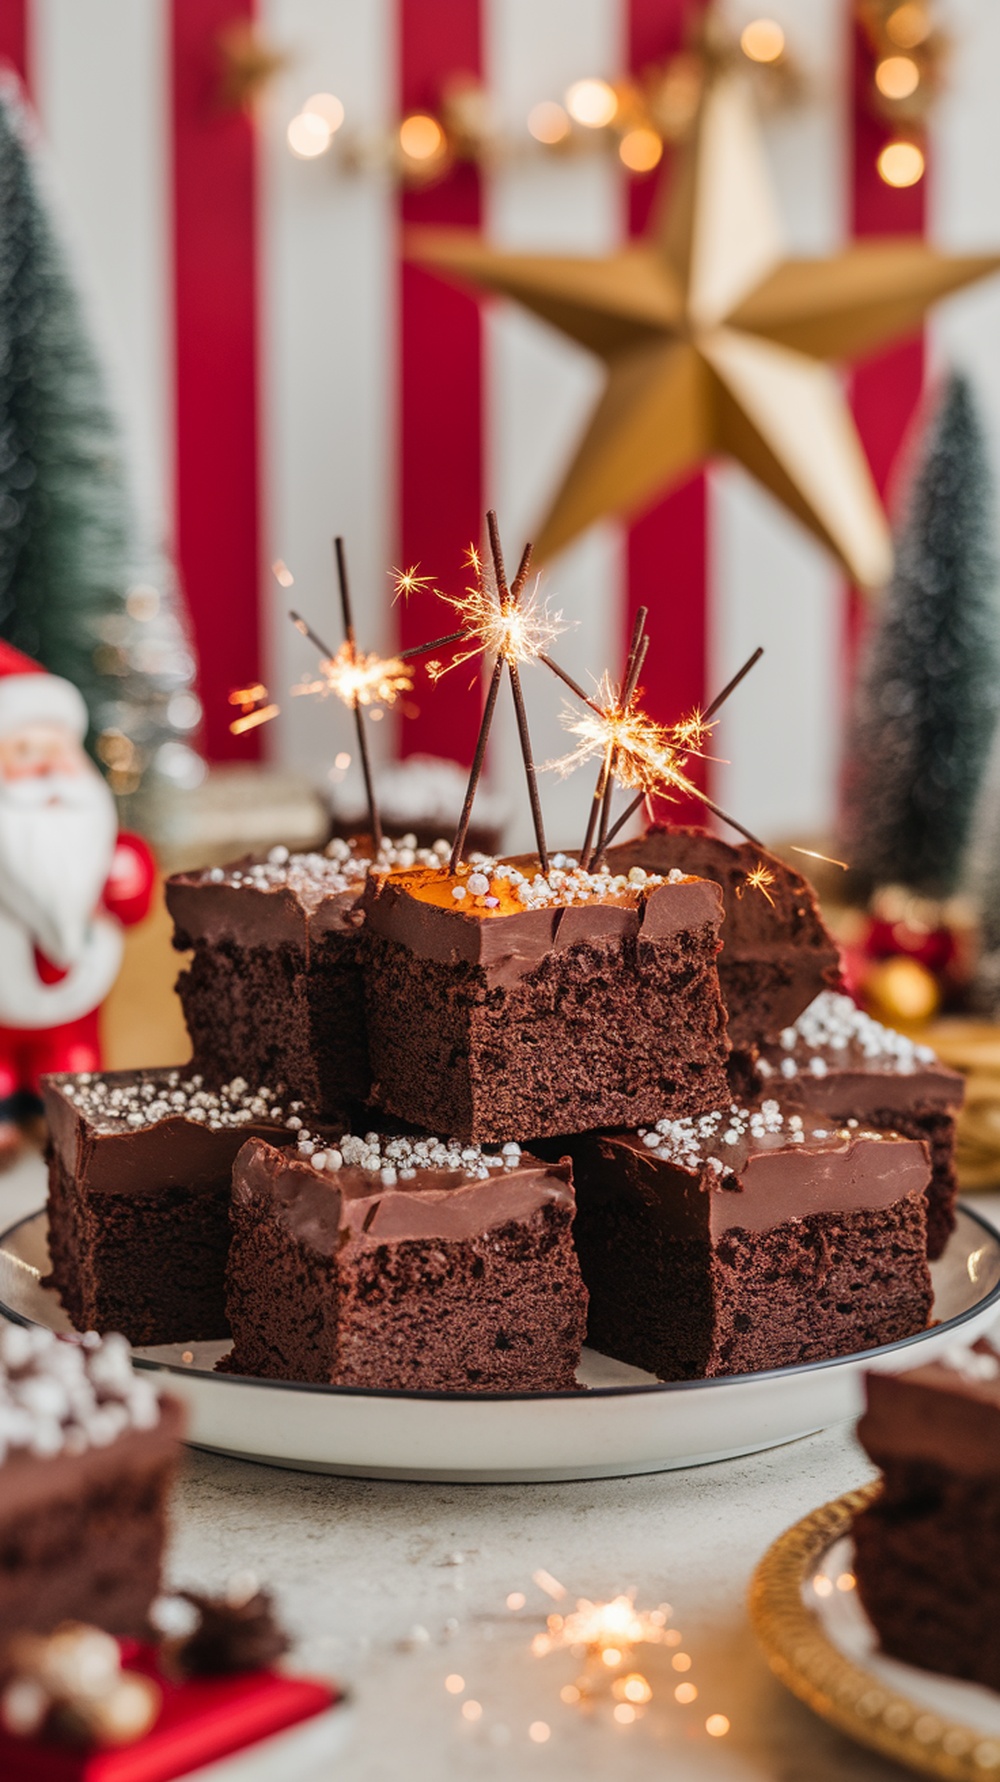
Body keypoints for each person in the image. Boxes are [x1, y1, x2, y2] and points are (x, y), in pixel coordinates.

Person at [0, 641, 154, 1160]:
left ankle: (66, 1115)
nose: (48, 769)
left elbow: (133, 899)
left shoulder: (95, 840)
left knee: (74, 1059)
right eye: (26, 753)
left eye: (58, 752)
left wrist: (125, 879)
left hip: (75, 1010)